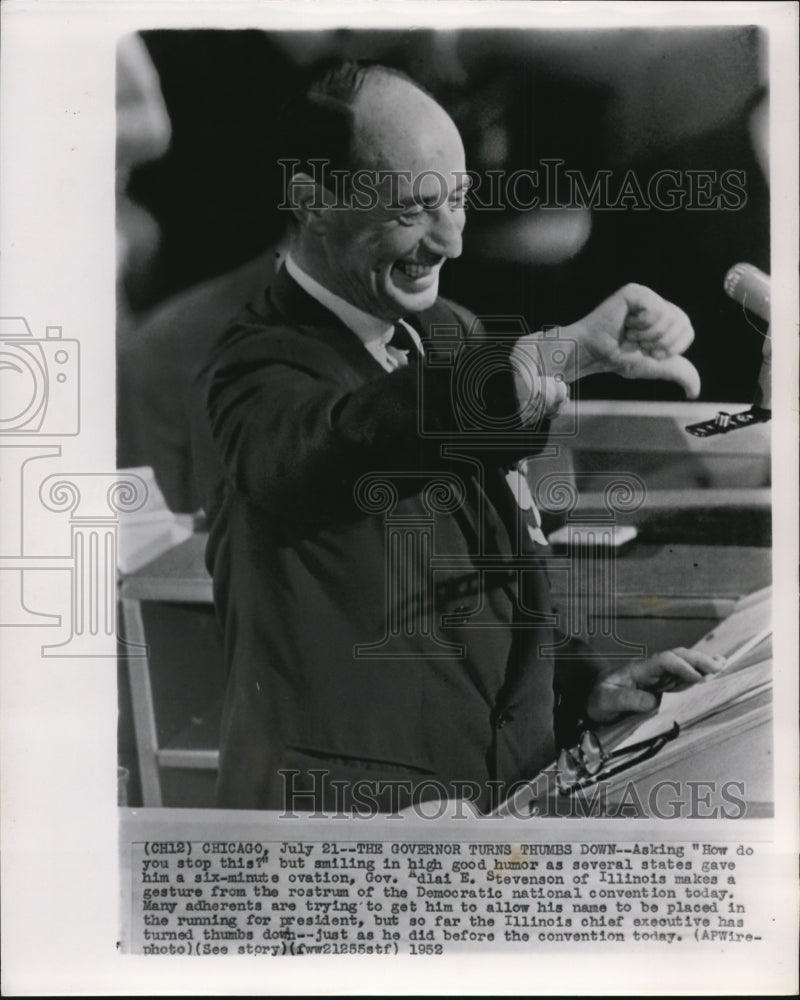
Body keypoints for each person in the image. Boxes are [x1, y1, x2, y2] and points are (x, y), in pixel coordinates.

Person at [193, 62, 722, 814]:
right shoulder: (253, 364)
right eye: (415, 210)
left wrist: (586, 690)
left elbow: (485, 582)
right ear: (313, 203)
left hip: (485, 813)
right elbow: (349, 439)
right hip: (345, 832)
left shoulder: (452, 333)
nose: (453, 240)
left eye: (461, 199)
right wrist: (555, 355)